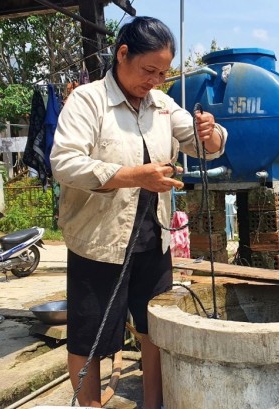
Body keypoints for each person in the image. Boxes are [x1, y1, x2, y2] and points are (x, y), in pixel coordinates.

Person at [50, 16, 227, 409]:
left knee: (154, 328)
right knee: (90, 334)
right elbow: (64, 163)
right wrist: (132, 176)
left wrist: (210, 132)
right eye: (149, 70)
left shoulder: (161, 104)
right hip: (99, 240)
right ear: (122, 54)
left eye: (163, 73)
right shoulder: (88, 100)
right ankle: (89, 405)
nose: (155, 80)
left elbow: (204, 144)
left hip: (153, 237)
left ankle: (154, 404)